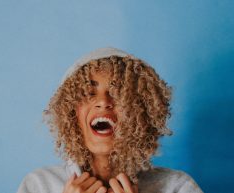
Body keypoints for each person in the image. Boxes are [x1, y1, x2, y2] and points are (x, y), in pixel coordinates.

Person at [17, 47, 203, 193]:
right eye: (89, 93)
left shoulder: (177, 187)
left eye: (117, 94)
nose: (103, 102)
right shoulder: (38, 186)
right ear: (71, 113)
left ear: (141, 112)